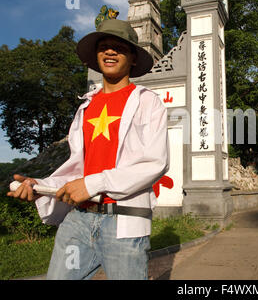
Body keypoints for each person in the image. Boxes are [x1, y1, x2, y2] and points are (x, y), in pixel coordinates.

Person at [7, 19, 169, 279]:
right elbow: (77, 168)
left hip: (123, 222)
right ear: (96, 56)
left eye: (119, 47)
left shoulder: (148, 103)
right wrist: (40, 185)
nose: (110, 52)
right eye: (104, 46)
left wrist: (93, 184)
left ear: (133, 59)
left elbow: (154, 163)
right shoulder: (86, 107)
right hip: (78, 220)